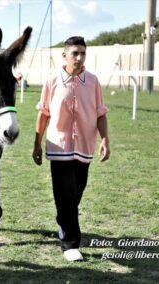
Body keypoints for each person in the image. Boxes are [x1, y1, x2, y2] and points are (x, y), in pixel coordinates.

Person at [32, 36, 110, 262]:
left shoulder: (93, 81)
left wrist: (105, 140)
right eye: (75, 53)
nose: (79, 57)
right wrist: (37, 143)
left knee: (75, 193)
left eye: (83, 53)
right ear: (64, 55)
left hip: (85, 146)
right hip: (59, 146)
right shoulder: (52, 80)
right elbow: (43, 113)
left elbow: (100, 113)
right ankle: (70, 244)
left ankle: (63, 221)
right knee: (65, 194)